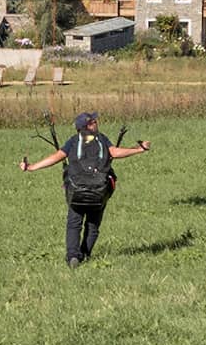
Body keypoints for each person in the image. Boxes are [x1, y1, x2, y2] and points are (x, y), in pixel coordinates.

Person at [20, 111, 151, 266]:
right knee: (93, 225)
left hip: (76, 192)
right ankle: (85, 255)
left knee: (74, 223)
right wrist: (138, 149)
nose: (97, 123)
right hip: (99, 191)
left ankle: (73, 256)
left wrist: (32, 167)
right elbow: (114, 152)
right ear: (88, 126)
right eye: (94, 121)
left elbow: (56, 157)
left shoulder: (74, 141)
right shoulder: (101, 140)